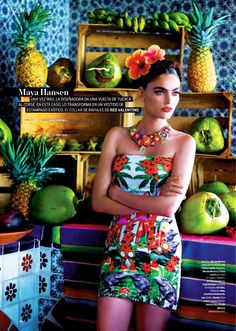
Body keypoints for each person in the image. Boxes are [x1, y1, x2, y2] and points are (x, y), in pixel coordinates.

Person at [92, 45, 196, 331]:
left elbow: (168, 208)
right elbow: (98, 203)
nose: (169, 100)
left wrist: (118, 193)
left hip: (161, 249)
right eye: (160, 91)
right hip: (119, 248)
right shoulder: (116, 136)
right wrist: (144, 203)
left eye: (175, 93)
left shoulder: (184, 142)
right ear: (142, 93)